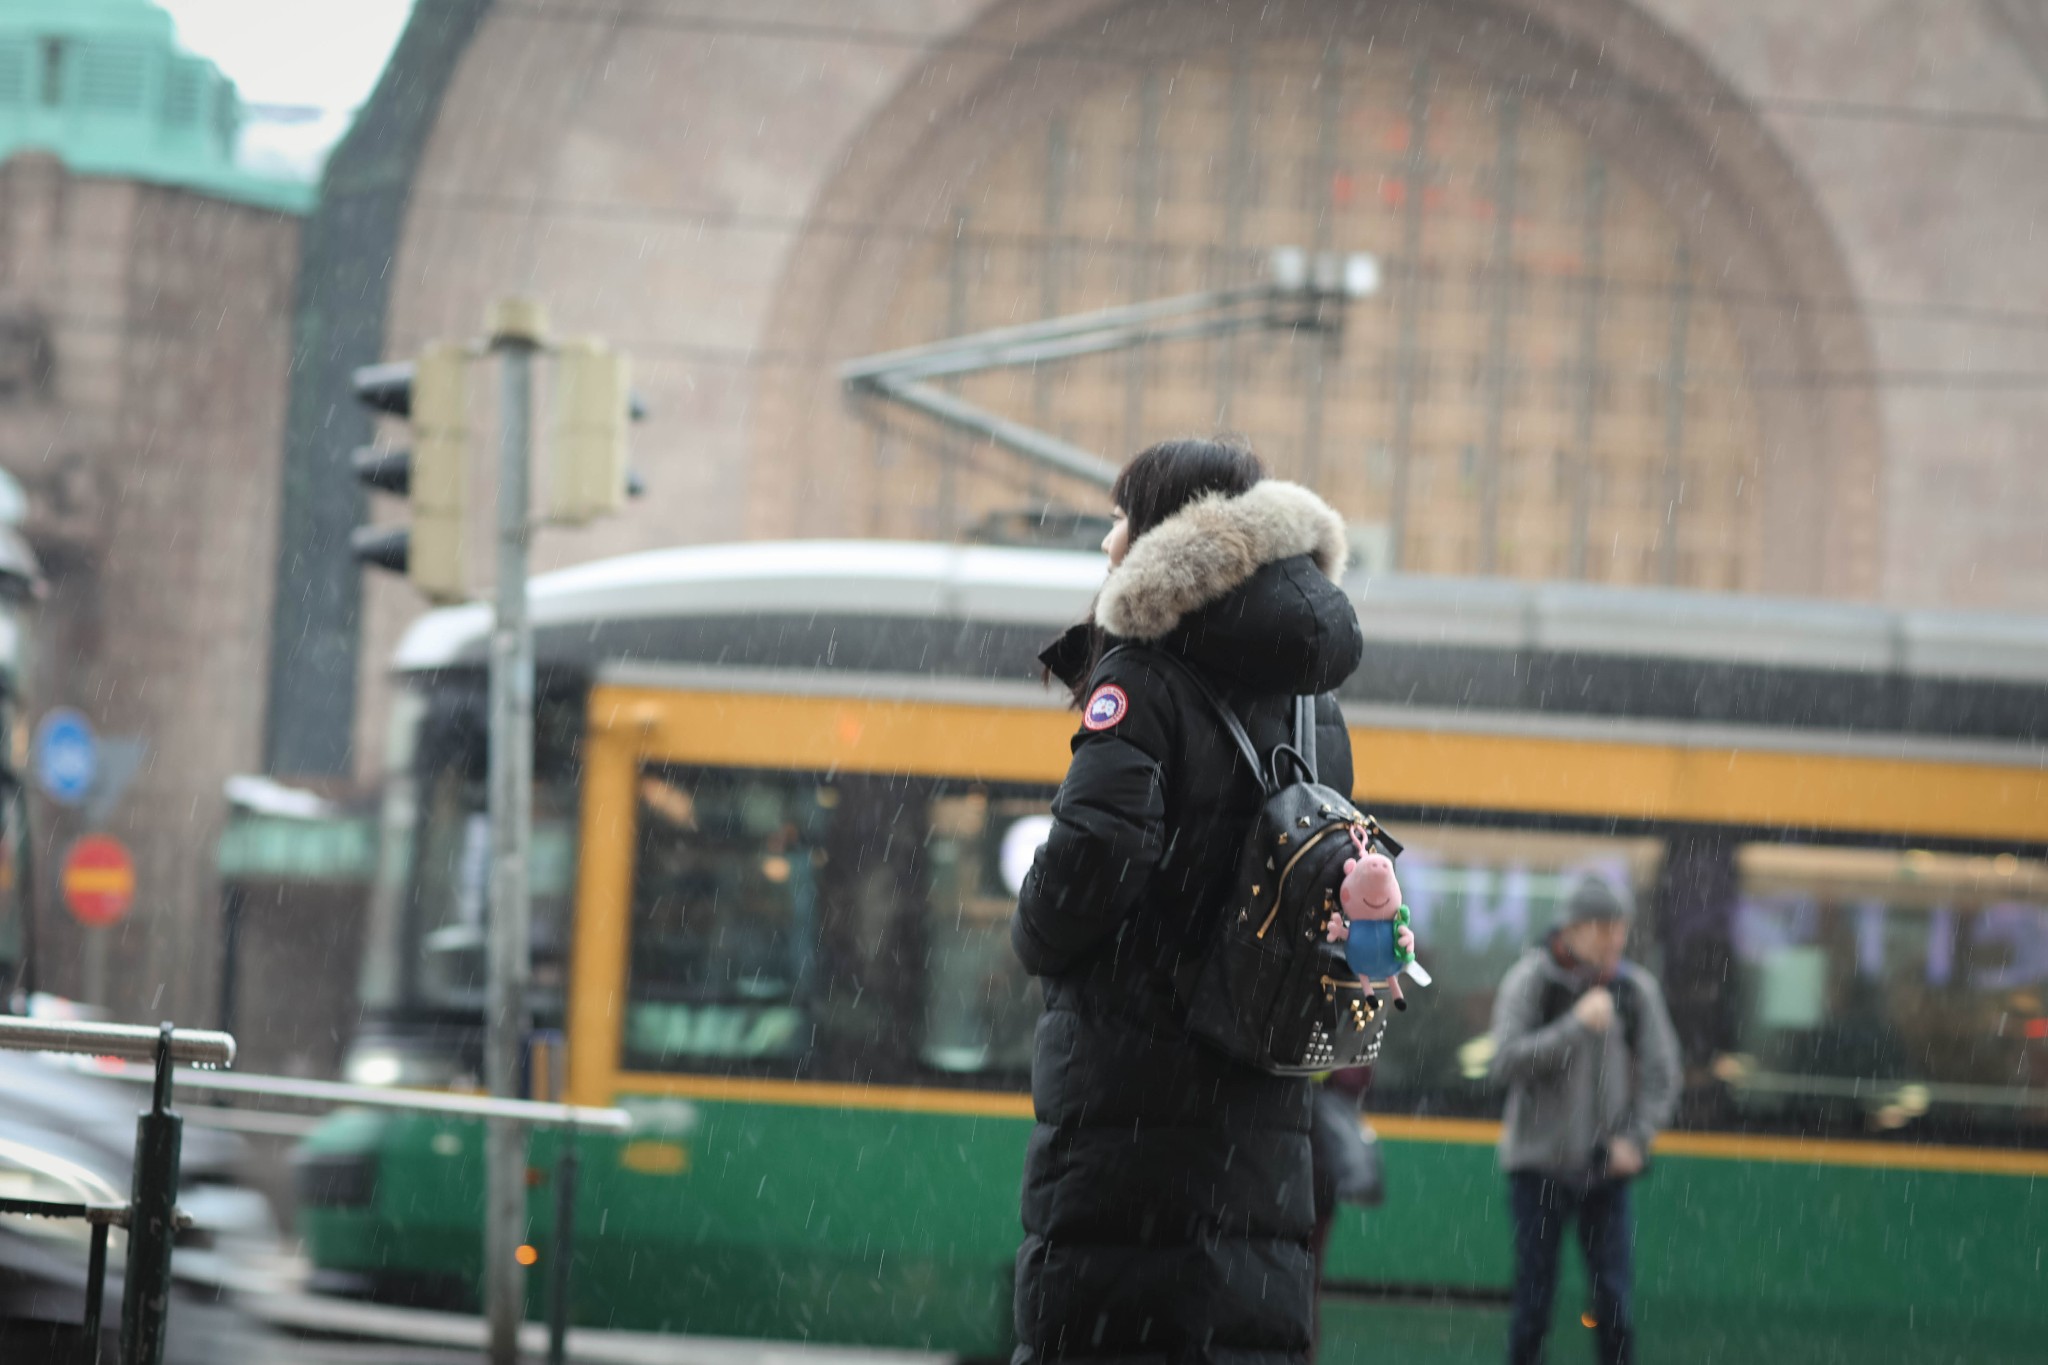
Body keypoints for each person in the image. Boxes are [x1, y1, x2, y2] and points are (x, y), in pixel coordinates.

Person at [1010, 438, 1365, 1364]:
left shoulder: (1143, 678)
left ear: (1168, 529)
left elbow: (1095, 853)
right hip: (1259, 1097)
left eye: (1121, 517)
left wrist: (1037, 932)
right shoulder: (1310, 705)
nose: (1105, 543)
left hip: (1136, 1103)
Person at [1488, 875, 1682, 1365]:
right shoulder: (1531, 981)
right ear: (1571, 930)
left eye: (1620, 928)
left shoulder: (1636, 991)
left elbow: (1664, 1075)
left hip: (1605, 1174)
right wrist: (1574, 1026)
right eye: (1601, 928)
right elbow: (1504, 1064)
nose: (1614, 939)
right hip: (1537, 1172)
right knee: (1533, 1306)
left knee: (1613, 1307)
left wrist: (1635, 1139)